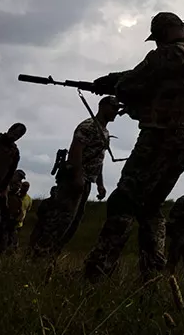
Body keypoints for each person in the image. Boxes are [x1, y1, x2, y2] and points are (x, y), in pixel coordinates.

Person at [82, 12, 184, 283]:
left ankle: (97, 272)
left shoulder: (167, 55)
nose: (155, 45)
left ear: (165, 32)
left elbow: (133, 83)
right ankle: (152, 275)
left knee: (124, 200)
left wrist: (111, 83)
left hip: (161, 137)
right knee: (152, 206)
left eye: (156, 39)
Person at [29, 96, 120, 259]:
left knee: (73, 222)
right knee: (60, 219)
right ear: (103, 106)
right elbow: (75, 151)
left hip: (86, 181)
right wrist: (78, 176)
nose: (116, 111)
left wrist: (100, 184)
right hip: (73, 181)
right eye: (113, 107)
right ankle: (39, 253)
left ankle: (51, 254)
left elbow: (99, 159)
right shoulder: (89, 126)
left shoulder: (104, 131)